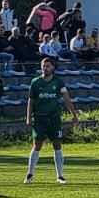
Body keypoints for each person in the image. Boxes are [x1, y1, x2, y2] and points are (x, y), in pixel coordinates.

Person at [24, 57, 80, 185]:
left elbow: (66, 99)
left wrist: (74, 115)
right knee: (37, 145)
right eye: (43, 66)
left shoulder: (58, 82)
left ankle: (60, 176)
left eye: (48, 66)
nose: (45, 68)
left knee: (57, 145)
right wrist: (28, 117)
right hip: (39, 118)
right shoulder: (35, 82)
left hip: (54, 119)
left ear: (53, 68)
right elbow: (31, 101)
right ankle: (30, 174)